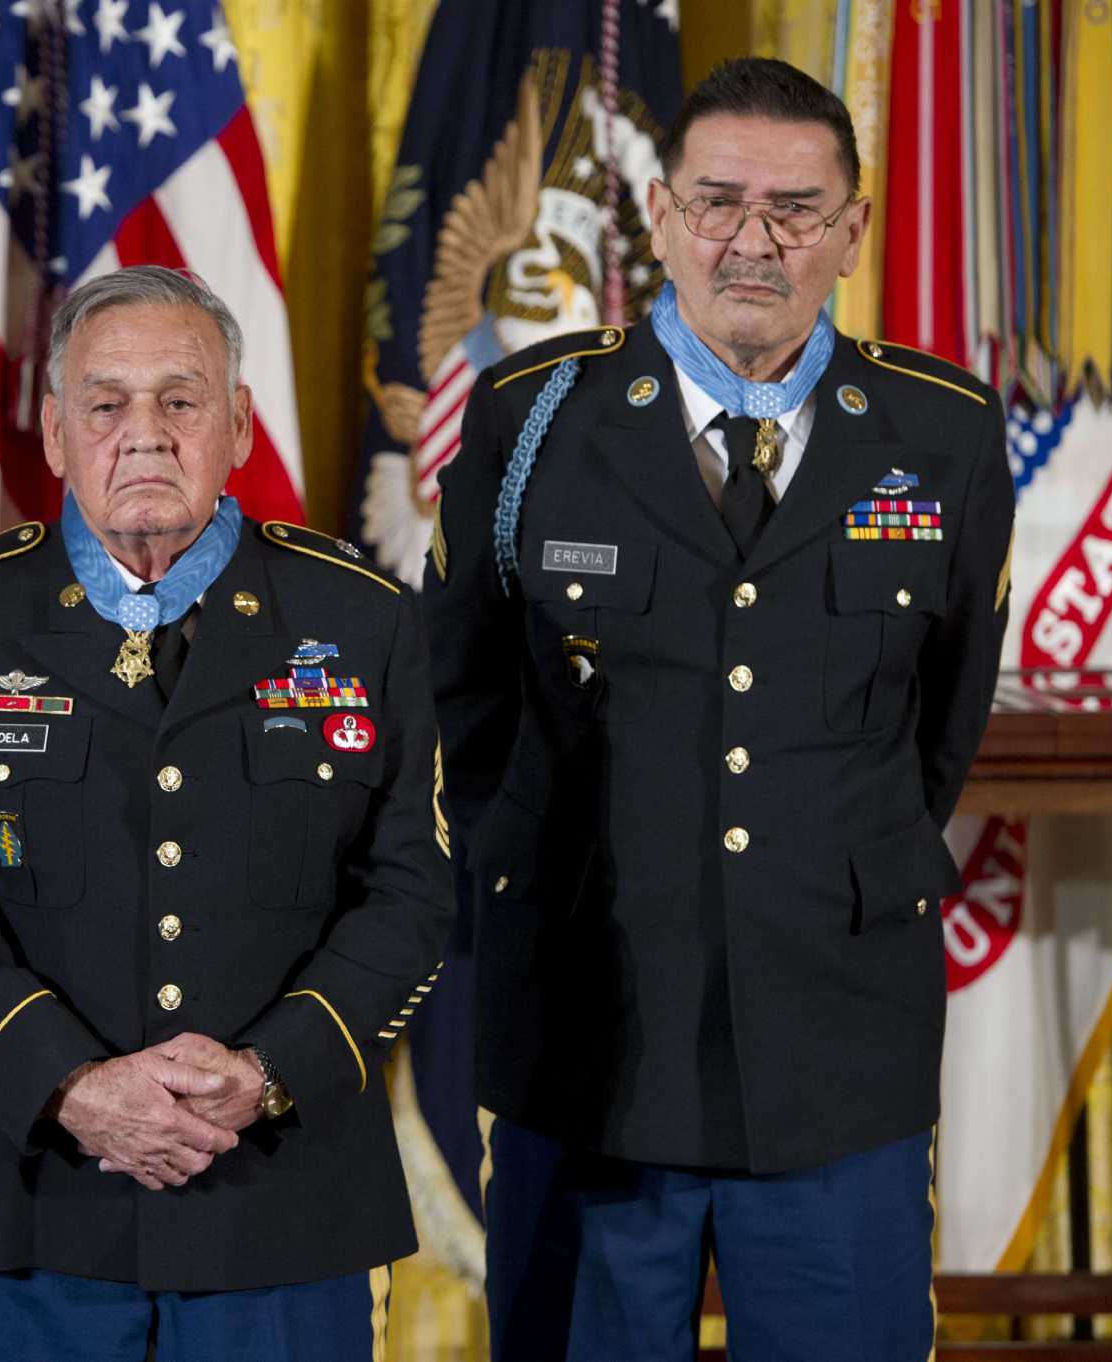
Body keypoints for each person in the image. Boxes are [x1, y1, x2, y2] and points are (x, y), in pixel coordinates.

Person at [424, 58, 1014, 1362]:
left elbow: (939, 721)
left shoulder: (944, 435)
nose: (756, 240)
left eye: (799, 208)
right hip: (587, 1040)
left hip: (837, 1056)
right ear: (657, 211)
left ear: (853, 230)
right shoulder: (535, 420)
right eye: (720, 201)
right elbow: (464, 694)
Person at [0, 265, 454, 1361]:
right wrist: (71, 1084)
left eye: (180, 400)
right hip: (31, 1202)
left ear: (236, 424)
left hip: (284, 1204)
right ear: (52, 432)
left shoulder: (359, 619)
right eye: (105, 403)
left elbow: (411, 890)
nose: (143, 432)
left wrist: (268, 1071)